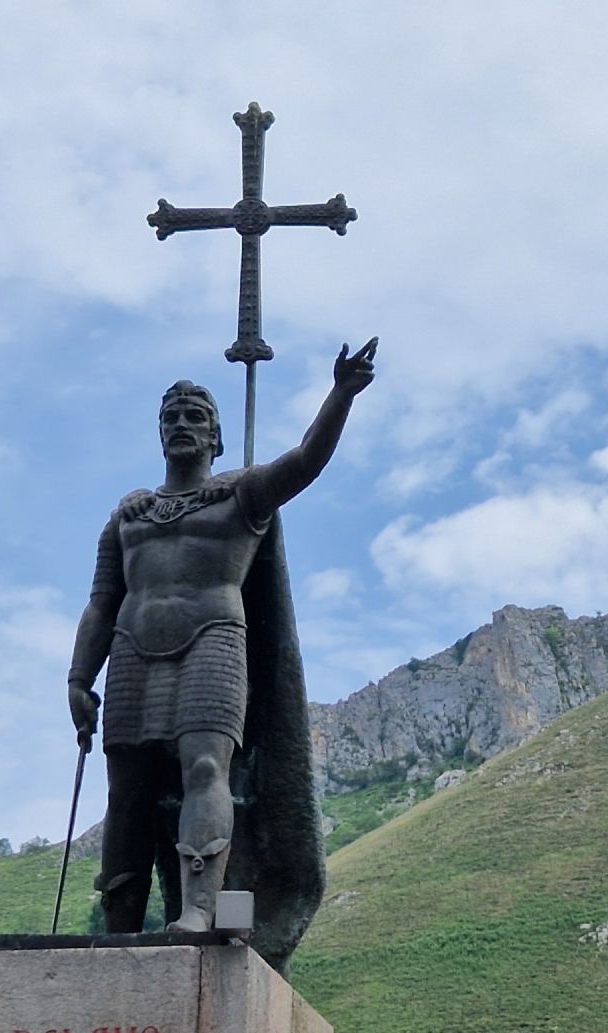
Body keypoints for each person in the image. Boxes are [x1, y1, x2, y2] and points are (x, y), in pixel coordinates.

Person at [67, 337, 377, 963]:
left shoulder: (243, 494)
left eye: (196, 417)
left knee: (206, 769)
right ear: (160, 434)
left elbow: (305, 461)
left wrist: (341, 394)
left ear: (216, 438)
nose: (183, 425)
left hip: (213, 642)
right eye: (172, 418)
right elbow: (101, 600)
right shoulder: (130, 513)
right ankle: (118, 927)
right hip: (130, 648)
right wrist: (79, 675)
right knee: (125, 790)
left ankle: (198, 910)